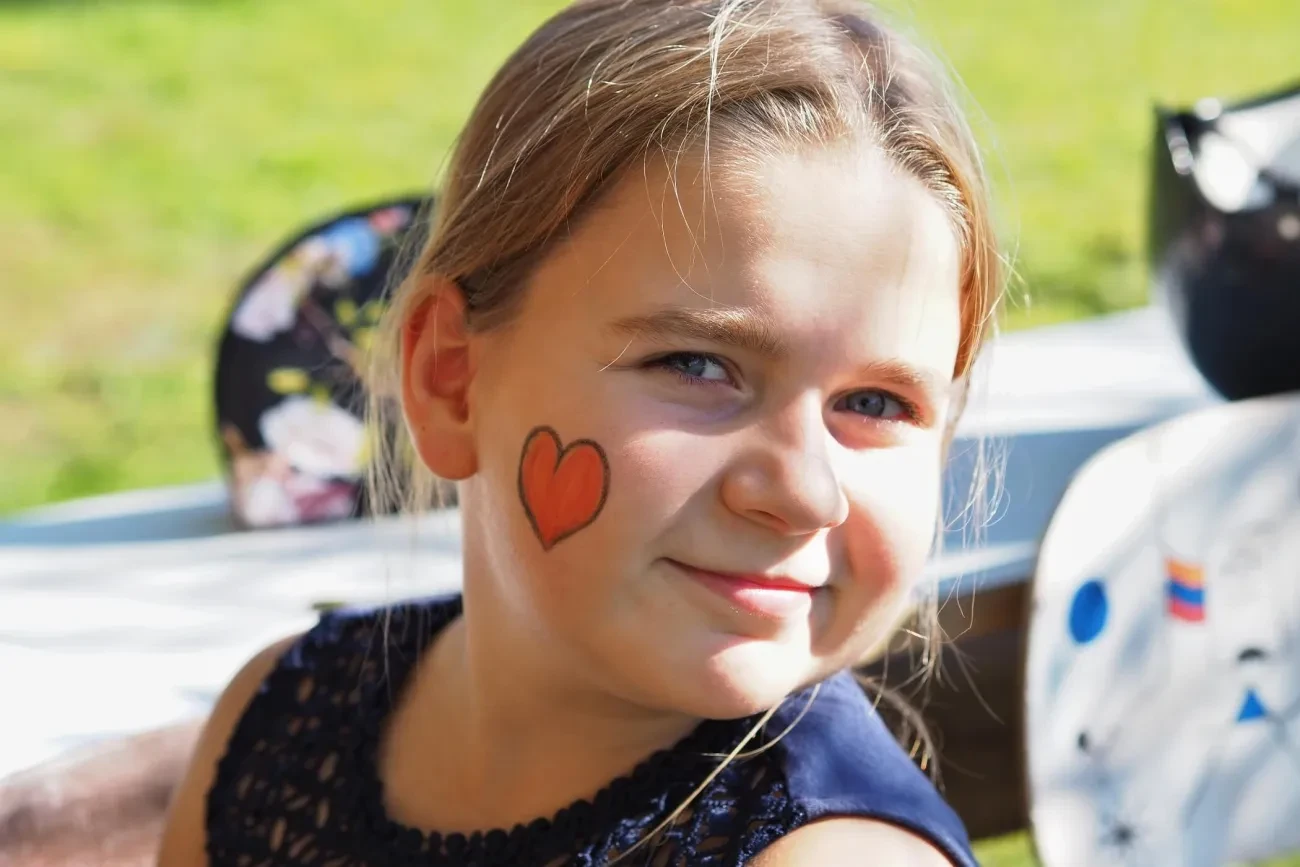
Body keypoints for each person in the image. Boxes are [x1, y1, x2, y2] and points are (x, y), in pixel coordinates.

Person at [157, 0, 1003, 863]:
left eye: (878, 404)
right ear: (451, 380)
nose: (803, 490)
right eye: (696, 365)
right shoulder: (279, 724)